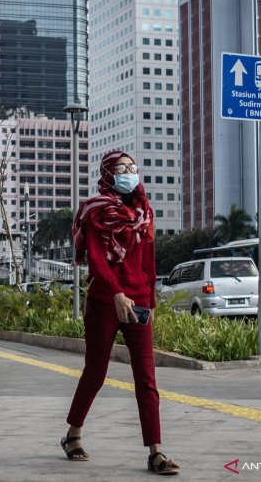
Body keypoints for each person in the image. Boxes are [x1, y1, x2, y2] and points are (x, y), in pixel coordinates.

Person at [61, 150, 180, 475]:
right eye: (121, 168)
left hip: (139, 300)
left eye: (132, 167)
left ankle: (156, 453)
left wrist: (150, 301)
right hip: (105, 300)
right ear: (108, 174)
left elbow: (148, 260)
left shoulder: (144, 212)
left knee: (147, 378)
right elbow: (98, 258)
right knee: (96, 371)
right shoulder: (97, 210)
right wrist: (116, 293)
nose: (129, 172)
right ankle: (73, 434)